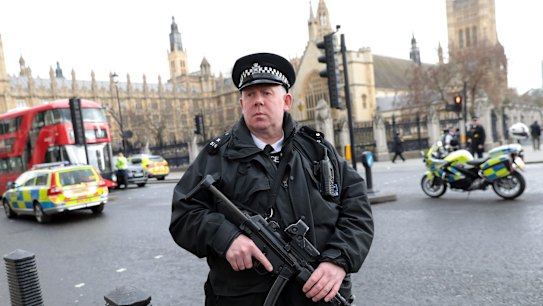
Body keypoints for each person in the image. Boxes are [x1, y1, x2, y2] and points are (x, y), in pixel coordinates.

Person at [169, 53, 374, 306]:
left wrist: (339, 259)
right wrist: (226, 237)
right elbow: (184, 214)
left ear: (286, 101)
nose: (258, 102)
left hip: (319, 295)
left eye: (266, 93)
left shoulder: (318, 150)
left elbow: (357, 209)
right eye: (250, 95)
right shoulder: (216, 157)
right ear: (241, 103)